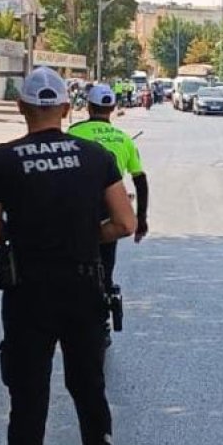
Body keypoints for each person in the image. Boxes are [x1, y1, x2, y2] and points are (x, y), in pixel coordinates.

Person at [0, 67, 137, 445]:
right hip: (84, 289)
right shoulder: (96, 156)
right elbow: (125, 223)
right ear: (66, 109)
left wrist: (26, 236)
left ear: (21, 108)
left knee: (28, 400)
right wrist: (87, 236)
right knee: (89, 391)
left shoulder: (1, 160)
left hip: (27, 296)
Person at [67, 84, 150, 345]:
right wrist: (141, 219)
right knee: (105, 264)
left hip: (77, 210)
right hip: (110, 211)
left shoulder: (73, 133)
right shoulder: (123, 138)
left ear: (88, 107)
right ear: (113, 109)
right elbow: (140, 181)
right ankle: (102, 318)